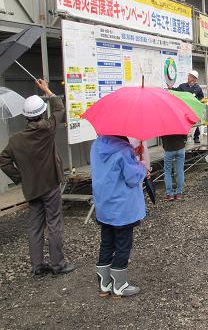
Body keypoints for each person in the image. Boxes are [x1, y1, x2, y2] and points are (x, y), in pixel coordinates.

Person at [0, 79, 75, 277]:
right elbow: (59, 107)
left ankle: (38, 266)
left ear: (25, 117)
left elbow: (3, 160)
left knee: (34, 227)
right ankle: (58, 265)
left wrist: (20, 177)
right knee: (54, 224)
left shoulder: (15, 139)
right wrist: (47, 90)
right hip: (50, 186)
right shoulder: (47, 129)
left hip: (31, 189)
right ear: (42, 113)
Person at [91, 135, 147, 297]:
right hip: (123, 207)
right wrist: (141, 166)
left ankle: (105, 283)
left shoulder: (96, 145)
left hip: (104, 203)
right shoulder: (123, 149)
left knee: (107, 242)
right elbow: (132, 178)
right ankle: (120, 285)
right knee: (123, 244)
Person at [169, 70, 204, 143]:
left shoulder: (198, 88)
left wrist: (200, 102)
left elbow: (201, 98)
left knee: (195, 122)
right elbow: (176, 91)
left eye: (190, 76)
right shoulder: (182, 86)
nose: (189, 78)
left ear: (195, 79)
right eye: (189, 76)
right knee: (184, 122)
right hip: (184, 108)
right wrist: (171, 88)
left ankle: (196, 137)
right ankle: (184, 138)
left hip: (193, 109)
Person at [161, 134, 187, 201]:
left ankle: (170, 194)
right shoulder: (179, 123)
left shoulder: (163, 124)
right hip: (180, 146)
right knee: (180, 171)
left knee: (167, 171)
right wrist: (184, 141)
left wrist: (164, 145)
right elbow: (185, 134)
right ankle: (179, 194)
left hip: (168, 148)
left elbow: (162, 137)